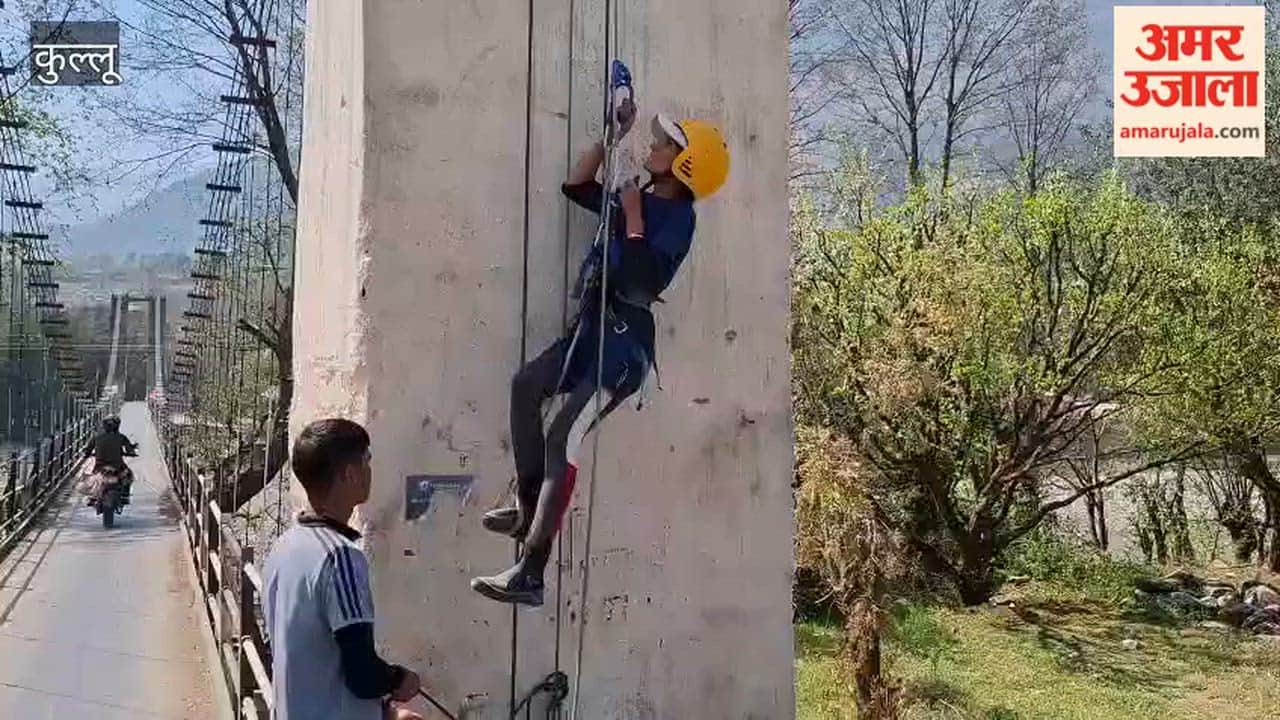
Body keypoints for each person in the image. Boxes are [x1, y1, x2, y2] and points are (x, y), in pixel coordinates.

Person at [470, 105, 731, 607]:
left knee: (563, 435)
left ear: (685, 164)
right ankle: (527, 509)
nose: (652, 149)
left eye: (663, 145)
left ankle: (532, 570)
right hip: (589, 334)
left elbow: (641, 280)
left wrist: (633, 214)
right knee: (526, 385)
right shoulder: (636, 197)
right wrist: (613, 135)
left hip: (622, 346)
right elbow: (577, 185)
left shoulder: (678, 218)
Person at [262, 419, 426, 720]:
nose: (370, 471)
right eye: (367, 462)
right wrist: (401, 680)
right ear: (350, 474)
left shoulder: (283, 547)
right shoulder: (341, 557)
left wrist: (382, 712)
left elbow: (306, 656)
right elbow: (362, 673)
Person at [83, 416, 138, 504]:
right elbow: (129, 449)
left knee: (92, 477)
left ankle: (92, 497)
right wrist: (132, 453)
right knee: (128, 475)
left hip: (100, 465)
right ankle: (125, 496)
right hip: (117, 466)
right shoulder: (121, 437)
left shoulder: (96, 437)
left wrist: (87, 455)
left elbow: (88, 449)